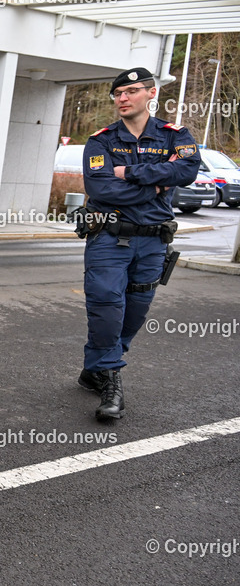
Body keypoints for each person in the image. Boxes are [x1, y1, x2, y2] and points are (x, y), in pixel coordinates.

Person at [79, 67, 199, 421]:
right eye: (117, 94)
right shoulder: (101, 141)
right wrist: (158, 181)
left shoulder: (175, 135)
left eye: (130, 91)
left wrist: (128, 172)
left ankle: (96, 368)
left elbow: (188, 171)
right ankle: (111, 379)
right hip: (109, 237)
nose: (122, 99)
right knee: (106, 303)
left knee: (135, 310)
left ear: (151, 93)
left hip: (153, 241)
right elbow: (101, 188)